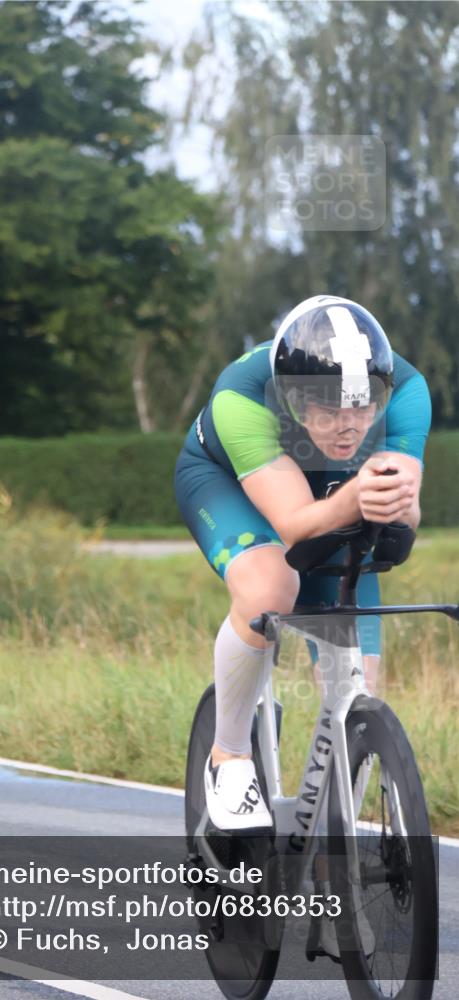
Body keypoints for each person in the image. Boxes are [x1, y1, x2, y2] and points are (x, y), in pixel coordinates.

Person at [174, 294, 432, 831]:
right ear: (292, 400)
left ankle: (326, 836)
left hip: (333, 492)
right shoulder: (242, 398)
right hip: (233, 485)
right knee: (271, 588)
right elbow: (293, 524)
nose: (349, 426)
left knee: (359, 690)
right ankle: (229, 758)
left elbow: (403, 514)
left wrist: (399, 507)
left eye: (364, 408)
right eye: (329, 410)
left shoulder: (407, 391)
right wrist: (358, 495)